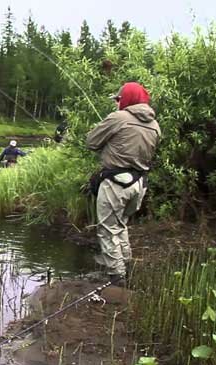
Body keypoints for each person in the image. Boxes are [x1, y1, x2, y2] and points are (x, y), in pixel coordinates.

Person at [86, 82, 161, 287]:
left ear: (126, 99)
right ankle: (126, 266)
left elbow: (91, 142)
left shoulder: (118, 117)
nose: (117, 103)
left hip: (116, 183)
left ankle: (116, 277)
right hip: (139, 185)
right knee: (120, 225)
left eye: (118, 99)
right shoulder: (155, 125)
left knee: (108, 229)